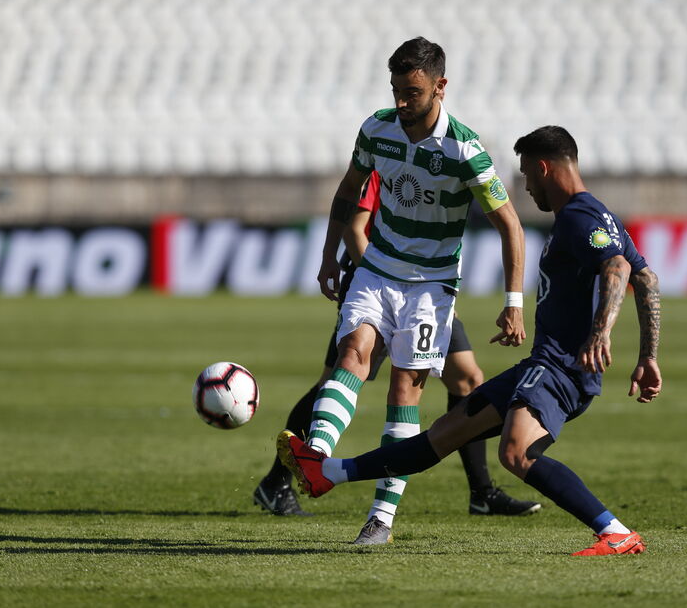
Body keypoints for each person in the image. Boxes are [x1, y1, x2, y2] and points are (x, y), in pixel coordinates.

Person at [279, 126, 663, 556]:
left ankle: (614, 532)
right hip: (539, 365)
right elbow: (646, 275)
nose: (527, 187)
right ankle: (327, 472)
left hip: (560, 368)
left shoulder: (579, 216)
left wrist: (601, 332)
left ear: (543, 168)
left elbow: (618, 268)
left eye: (527, 176)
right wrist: (648, 355)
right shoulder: (596, 215)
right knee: (444, 434)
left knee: (517, 453)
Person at [307, 36, 527, 544]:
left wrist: (513, 304)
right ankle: (314, 461)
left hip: (430, 286)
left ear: (440, 87)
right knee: (352, 353)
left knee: (405, 388)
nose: (402, 103)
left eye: (412, 92)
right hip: (378, 269)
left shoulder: (464, 151)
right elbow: (347, 191)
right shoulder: (376, 128)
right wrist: (326, 257)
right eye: (396, 91)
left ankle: (381, 518)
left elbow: (510, 225)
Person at [254, 171, 540, 520]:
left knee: (467, 378)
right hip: (374, 281)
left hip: (425, 288)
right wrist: (385, 282)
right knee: (336, 380)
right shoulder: (384, 161)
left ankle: (482, 492)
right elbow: (354, 230)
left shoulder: (440, 160)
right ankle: (278, 480)